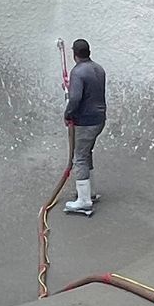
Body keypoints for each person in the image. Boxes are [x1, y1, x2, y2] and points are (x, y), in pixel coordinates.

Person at [62, 38, 106, 215]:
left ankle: (84, 201)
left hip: (86, 122)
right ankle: (90, 192)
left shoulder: (78, 72)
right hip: (99, 119)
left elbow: (75, 98)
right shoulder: (99, 69)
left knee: (79, 157)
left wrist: (68, 114)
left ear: (75, 54)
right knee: (87, 153)